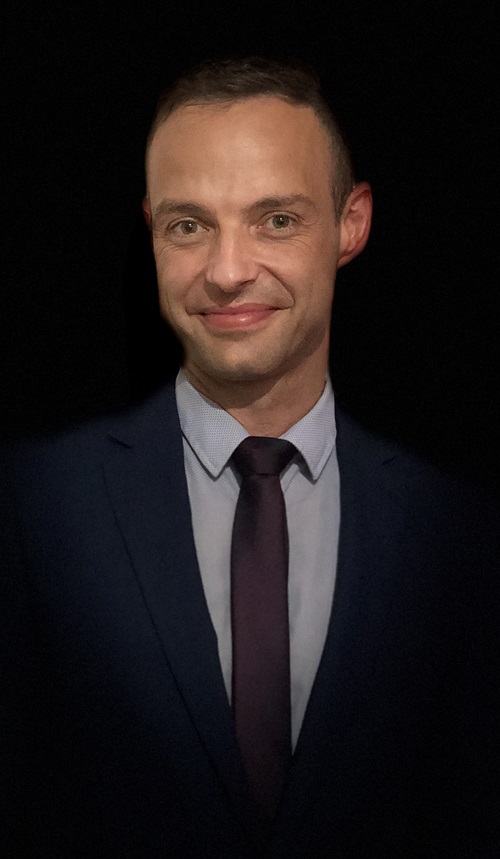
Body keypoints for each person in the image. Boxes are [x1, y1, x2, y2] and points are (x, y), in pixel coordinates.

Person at [1, 56, 498, 859]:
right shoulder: (36, 503)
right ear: (151, 228)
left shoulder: (458, 528)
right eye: (189, 225)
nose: (228, 272)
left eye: (276, 219)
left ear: (351, 223)